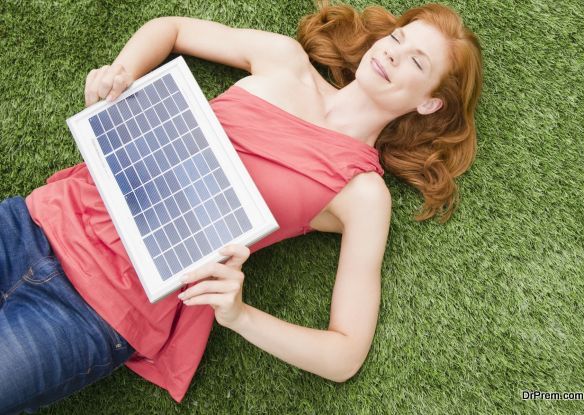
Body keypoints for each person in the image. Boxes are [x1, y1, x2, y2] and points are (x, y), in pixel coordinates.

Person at [0, 0, 482, 413]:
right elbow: (173, 28)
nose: (393, 55)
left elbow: (345, 355)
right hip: (37, 219)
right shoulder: (283, 59)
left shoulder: (362, 193)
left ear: (429, 104)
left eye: (417, 63)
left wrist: (239, 314)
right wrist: (123, 72)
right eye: (398, 38)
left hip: (95, 311)